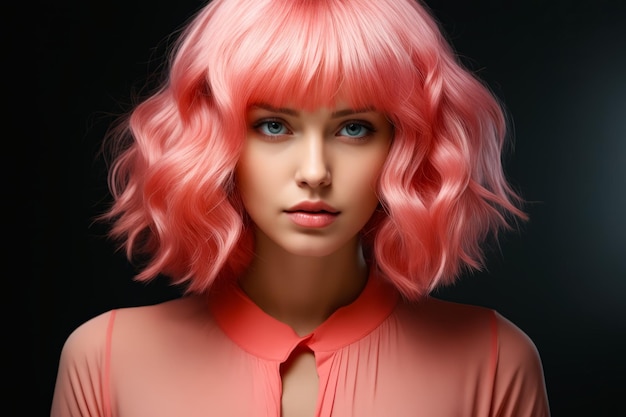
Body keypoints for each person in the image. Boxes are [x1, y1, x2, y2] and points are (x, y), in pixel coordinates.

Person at [51, 0, 551, 415]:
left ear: (407, 145)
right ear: (213, 141)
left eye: (354, 128)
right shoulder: (107, 358)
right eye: (274, 126)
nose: (314, 171)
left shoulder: (493, 360)